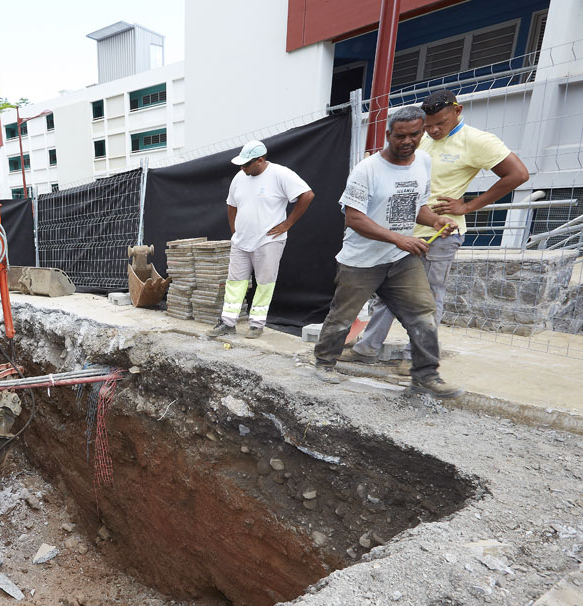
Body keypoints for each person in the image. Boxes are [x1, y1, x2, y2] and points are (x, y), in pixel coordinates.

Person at [351, 89, 529, 361]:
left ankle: (418, 357)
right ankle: (365, 349)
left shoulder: (478, 141)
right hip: (402, 232)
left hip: (439, 234)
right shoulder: (420, 138)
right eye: (428, 125)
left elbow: (518, 174)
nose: (433, 130)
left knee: (428, 297)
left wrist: (468, 206)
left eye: (440, 124)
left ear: (458, 111)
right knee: (387, 291)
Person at [313, 105, 463, 399]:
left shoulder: (423, 161)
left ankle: (425, 375)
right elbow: (354, 219)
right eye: (400, 135)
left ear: (421, 133)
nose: (407, 141)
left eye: (414, 134)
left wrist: (435, 220)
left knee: (423, 313)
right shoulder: (367, 170)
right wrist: (398, 239)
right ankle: (324, 362)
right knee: (343, 315)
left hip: (400, 260)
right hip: (361, 260)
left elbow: (415, 206)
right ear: (388, 134)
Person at [207, 140, 314, 339]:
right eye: (241, 164)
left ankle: (257, 324)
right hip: (241, 241)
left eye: (247, 164)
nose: (242, 167)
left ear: (260, 160)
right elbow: (231, 205)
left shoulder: (280, 174)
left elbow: (307, 195)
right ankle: (228, 322)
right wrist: (235, 230)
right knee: (235, 282)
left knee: (265, 282)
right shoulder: (239, 177)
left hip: (268, 240)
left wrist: (287, 224)